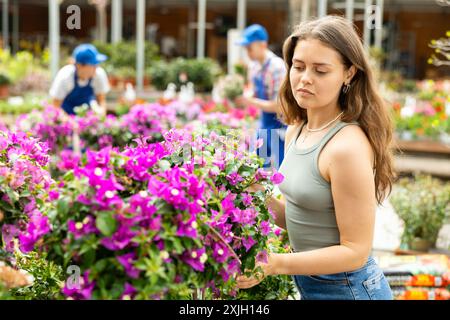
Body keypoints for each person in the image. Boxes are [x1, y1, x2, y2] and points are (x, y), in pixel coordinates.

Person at [236, 16, 395, 300]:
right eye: (298, 67)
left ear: (349, 73)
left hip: (349, 290)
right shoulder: (298, 128)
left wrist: (275, 263)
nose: (305, 78)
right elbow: (302, 218)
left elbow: (355, 252)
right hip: (313, 285)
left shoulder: (346, 147)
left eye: (321, 70)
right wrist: (255, 193)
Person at [235, 24, 287, 169]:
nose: (248, 52)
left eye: (249, 47)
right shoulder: (254, 66)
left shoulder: (277, 67)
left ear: (263, 45)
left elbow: (279, 105)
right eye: (246, 48)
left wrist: (250, 101)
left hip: (279, 126)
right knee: (254, 168)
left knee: (281, 172)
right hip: (264, 124)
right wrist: (245, 96)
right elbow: (253, 91)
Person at [49, 44, 110, 116]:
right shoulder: (65, 76)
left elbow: (101, 100)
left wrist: (101, 115)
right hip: (65, 116)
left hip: (87, 116)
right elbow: (55, 106)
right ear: (79, 65)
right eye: (93, 64)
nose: (96, 67)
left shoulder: (99, 74)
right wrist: (69, 123)